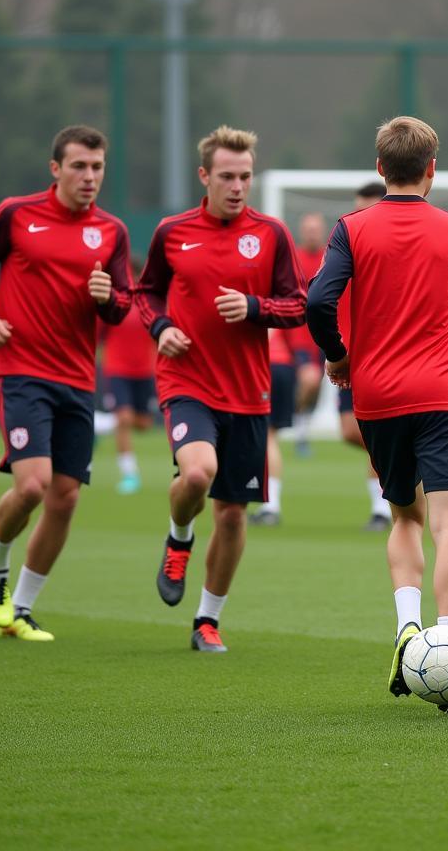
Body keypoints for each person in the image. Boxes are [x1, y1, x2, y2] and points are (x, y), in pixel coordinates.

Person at [307, 116, 448, 715]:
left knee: (404, 516)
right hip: (442, 394)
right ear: (431, 170)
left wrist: (339, 358)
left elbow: (319, 301)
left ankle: (407, 628)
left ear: (379, 169)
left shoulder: (351, 228)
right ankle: (446, 644)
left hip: (378, 397)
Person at [135, 125, 306, 653]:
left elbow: (298, 303)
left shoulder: (272, 234)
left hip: (249, 392)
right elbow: (147, 293)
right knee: (197, 471)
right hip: (188, 381)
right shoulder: (172, 231)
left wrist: (255, 308)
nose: (238, 186)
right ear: (204, 176)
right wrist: (161, 328)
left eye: (246, 176)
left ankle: (207, 620)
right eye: (227, 176)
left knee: (232, 512)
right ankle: (178, 537)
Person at [0, 125, 133, 641]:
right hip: (20, 369)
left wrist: (107, 297)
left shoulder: (111, 231)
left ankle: (23, 608)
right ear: (55, 168)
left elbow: (123, 306)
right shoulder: (17, 213)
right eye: (79, 166)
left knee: (64, 497)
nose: (89, 176)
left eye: (98, 167)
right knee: (33, 485)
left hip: (77, 376)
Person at [337, 182, 394, 532]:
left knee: (377, 431)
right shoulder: (345, 246)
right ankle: (403, 456)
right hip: (347, 356)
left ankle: (381, 509)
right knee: (350, 431)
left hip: (382, 357)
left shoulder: (392, 255)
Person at [99, 258, 159, 494]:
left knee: (143, 424)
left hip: (145, 370)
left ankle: (99, 423)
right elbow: (97, 334)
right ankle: (129, 475)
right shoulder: (113, 301)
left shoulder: (149, 302)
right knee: (124, 419)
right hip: (117, 369)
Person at [250, 328, 298, 527]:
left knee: (266, 436)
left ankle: (270, 505)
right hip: (284, 366)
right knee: (269, 436)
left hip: (262, 364)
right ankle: (269, 503)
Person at [290, 212, 329, 456]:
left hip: (329, 335)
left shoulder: (332, 256)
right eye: (309, 229)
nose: (312, 233)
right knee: (310, 380)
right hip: (301, 336)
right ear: (302, 232)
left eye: (316, 229)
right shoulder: (293, 258)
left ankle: (302, 424)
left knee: (318, 386)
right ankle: (300, 428)